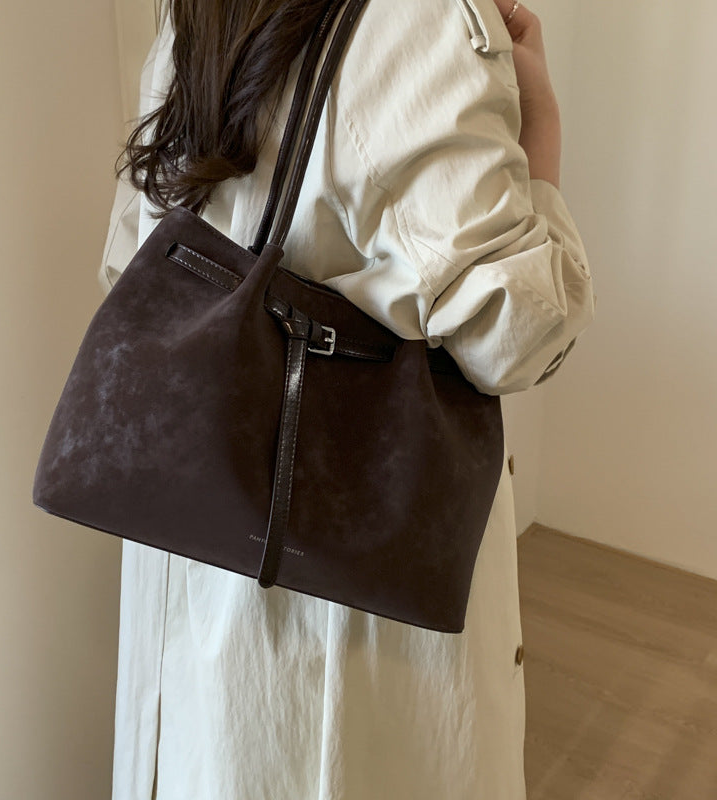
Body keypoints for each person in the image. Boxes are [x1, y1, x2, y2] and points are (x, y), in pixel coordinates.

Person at [98, 1, 595, 797]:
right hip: (333, 580)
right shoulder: (423, 17)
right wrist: (541, 115)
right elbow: (519, 333)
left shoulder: (196, 11)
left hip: (191, 526)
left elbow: (136, 251)